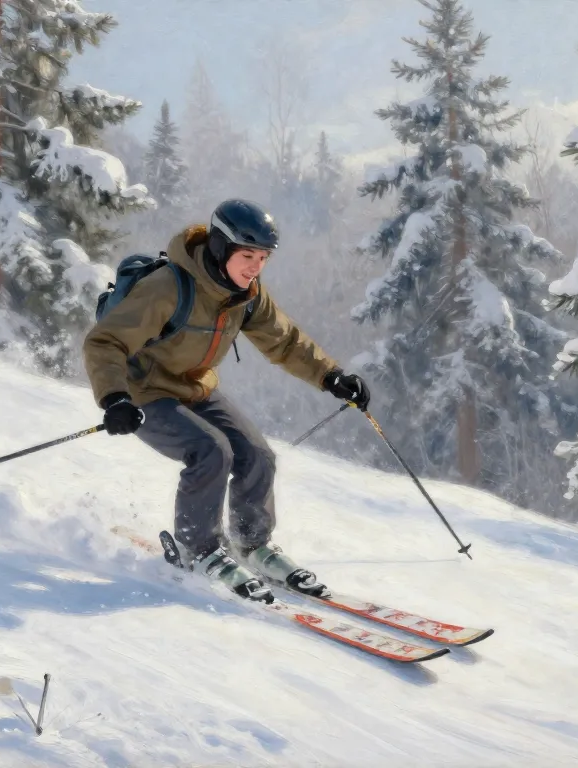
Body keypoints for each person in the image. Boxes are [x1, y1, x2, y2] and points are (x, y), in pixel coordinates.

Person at [83, 199, 370, 603]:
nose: (255, 267)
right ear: (220, 247)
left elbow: (285, 341)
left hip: (195, 387)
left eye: (263, 258)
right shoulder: (168, 287)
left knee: (258, 456)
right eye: (247, 255)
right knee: (211, 451)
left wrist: (331, 375)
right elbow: (105, 341)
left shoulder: (246, 294)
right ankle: (196, 548)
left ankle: (252, 545)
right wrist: (115, 398)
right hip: (144, 392)